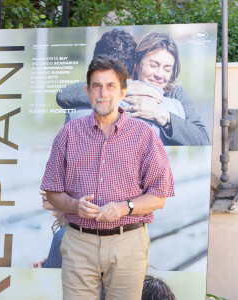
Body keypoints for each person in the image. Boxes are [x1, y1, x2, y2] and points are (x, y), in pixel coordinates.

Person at [41, 55, 174, 300]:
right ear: (88, 91)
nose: (103, 92)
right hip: (78, 242)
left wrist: (125, 207)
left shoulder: (144, 135)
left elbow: (159, 196)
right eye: (97, 86)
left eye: (110, 86)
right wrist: (73, 205)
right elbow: (52, 190)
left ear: (123, 91)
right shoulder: (69, 133)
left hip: (128, 242)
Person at [57, 30, 210, 146]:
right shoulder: (117, 80)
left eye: (167, 69)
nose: (159, 74)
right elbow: (64, 95)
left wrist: (163, 116)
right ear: (136, 64)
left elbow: (202, 139)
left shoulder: (175, 95)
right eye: (153, 65)